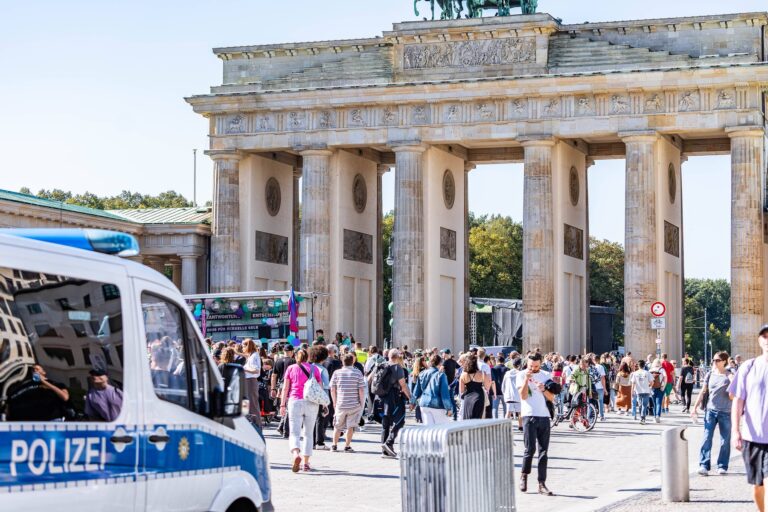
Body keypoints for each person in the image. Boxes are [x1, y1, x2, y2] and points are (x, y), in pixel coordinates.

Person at [729, 326, 768, 512]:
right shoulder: (749, 366)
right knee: (757, 487)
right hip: (753, 438)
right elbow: (737, 401)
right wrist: (735, 431)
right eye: (765, 336)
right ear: (759, 341)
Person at [279, 348, 322, 472]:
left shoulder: (291, 368)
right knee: (308, 434)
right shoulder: (315, 369)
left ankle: (295, 454)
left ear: (296, 357)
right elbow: (319, 388)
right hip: (311, 402)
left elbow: (285, 388)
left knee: (294, 432)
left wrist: (282, 405)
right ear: (307, 357)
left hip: (295, 401)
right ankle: (306, 463)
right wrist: (323, 404)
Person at [517, 353, 554, 496]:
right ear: (527, 363)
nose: (533, 368)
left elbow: (552, 398)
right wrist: (527, 380)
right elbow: (523, 396)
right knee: (530, 449)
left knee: (543, 451)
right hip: (528, 415)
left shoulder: (546, 375)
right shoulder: (521, 375)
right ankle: (524, 475)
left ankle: (541, 483)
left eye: (536, 366)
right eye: (531, 366)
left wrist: (544, 389)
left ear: (541, 364)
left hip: (544, 415)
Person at [691, 351, 733, 475]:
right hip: (710, 411)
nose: (714, 362)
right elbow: (703, 392)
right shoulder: (710, 374)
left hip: (726, 412)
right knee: (706, 438)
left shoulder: (730, 375)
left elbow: (734, 394)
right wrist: (694, 408)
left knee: (725, 440)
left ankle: (722, 465)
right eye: (713, 360)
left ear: (724, 361)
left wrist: (733, 380)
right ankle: (704, 464)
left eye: (717, 360)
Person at [6, 364, 72, 421]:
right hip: (30, 423)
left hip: (52, 421)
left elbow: (65, 397)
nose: (35, 371)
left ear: (44, 372)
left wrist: (43, 381)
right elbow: (10, 404)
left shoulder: (56, 384)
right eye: (33, 370)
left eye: (37, 369)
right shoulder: (23, 387)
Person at [377, 349, 411, 457]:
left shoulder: (381, 365)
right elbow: (403, 385)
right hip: (393, 397)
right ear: (397, 357)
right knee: (400, 421)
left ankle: (385, 450)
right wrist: (410, 398)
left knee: (385, 424)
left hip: (381, 397)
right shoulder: (397, 368)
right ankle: (389, 442)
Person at [330, 352, 366, 452]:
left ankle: (334, 445)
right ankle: (347, 446)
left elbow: (332, 389)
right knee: (350, 427)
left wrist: (334, 402)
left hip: (340, 404)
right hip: (354, 405)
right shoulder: (357, 373)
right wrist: (361, 403)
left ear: (342, 361)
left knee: (337, 426)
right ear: (353, 361)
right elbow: (361, 390)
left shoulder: (336, 373)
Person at [411, 354, 453, 425]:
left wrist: (412, 402)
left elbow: (416, 391)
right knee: (441, 431)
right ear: (440, 363)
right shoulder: (441, 375)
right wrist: (449, 408)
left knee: (429, 432)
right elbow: (444, 394)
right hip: (437, 405)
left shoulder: (422, 373)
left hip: (424, 404)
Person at [310, 346, 332, 450]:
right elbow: (326, 385)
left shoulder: (309, 367)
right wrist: (326, 401)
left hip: (309, 396)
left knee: (311, 419)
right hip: (319, 395)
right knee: (320, 418)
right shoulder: (323, 370)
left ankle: (311, 441)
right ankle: (319, 441)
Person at [242, 338, 263, 427]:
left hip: (250, 381)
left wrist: (245, 369)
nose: (242, 348)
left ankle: (257, 424)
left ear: (247, 346)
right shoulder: (252, 355)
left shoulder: (254, 355)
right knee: (246, 403)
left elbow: (256, 370)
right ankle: (249, 424)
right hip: (248, 381)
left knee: (253, 404)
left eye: (243, 346)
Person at [460, 354, 487, 420]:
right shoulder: (482, 373)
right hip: (479, 397)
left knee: (467, 419)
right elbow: (487, 386)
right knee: (477, 420)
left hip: (468, 399)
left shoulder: (463, 375)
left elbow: (462, 391)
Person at [502, 358, 523, 431]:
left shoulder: (507, 373)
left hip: (509, 395)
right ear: (519, 365)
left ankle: (505, 427)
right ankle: (520, 426)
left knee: (508, 412)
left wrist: (504, 393)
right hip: (518, 396)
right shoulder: (520, 373)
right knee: (520, 412)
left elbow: (503, 385)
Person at [630, 360, 652, 424]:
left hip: (638, 391)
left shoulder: (635, 373)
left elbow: (633, 383)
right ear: (644, 365)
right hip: (646, 391)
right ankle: (643, 418)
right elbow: (652, 382)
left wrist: (632, 391)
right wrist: (649, 386)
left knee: (640, 405)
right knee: (644, 405)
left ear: (638, 366)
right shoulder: (647, 373)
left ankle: (641, 417)